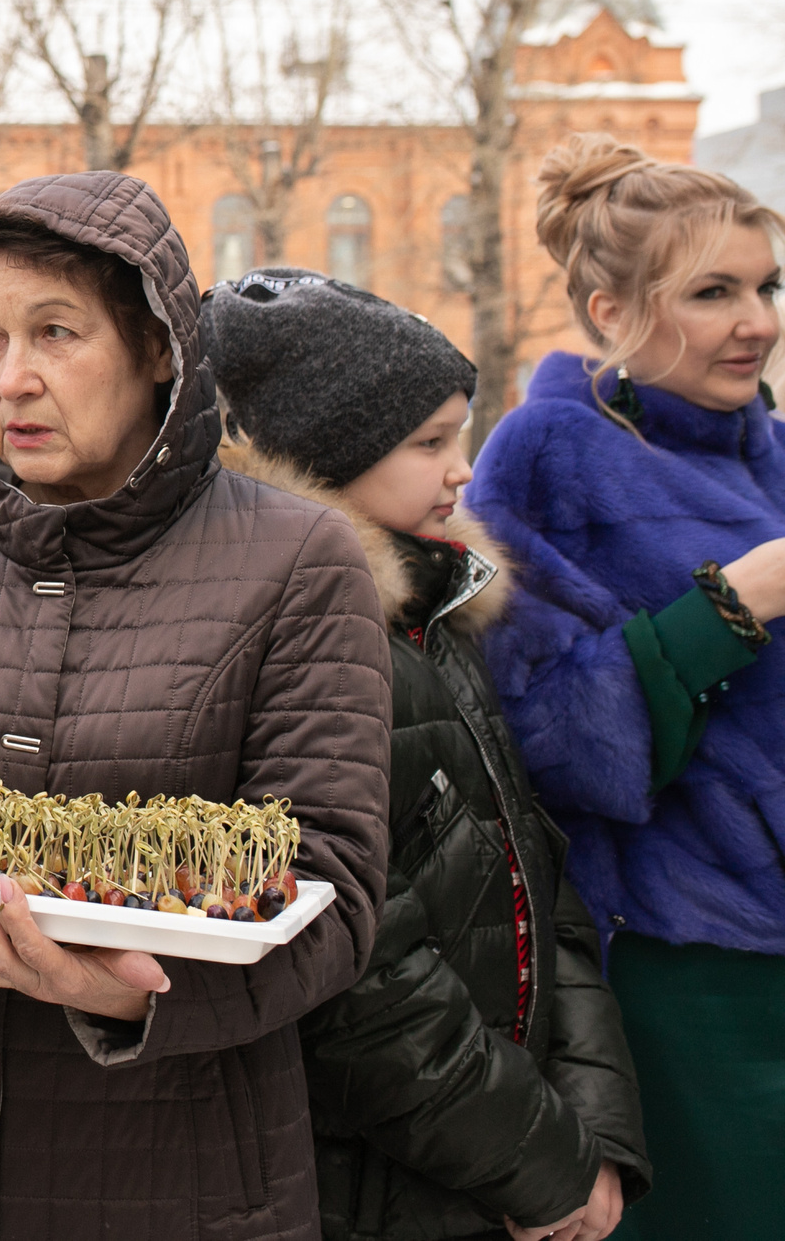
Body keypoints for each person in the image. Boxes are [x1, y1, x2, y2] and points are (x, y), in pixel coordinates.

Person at [0, 172, 394, 1241]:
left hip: (166, 1164)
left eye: (55, 333)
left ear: (158, 347)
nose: (12, 378)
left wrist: (125, 994)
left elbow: (332, 893)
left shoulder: (294, 560)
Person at [203, 269, 650, 1241]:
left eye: (460, 433)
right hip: (363, 1186)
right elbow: (365, 982)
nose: (462, 470)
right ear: (320, 459)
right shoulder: (311, 646)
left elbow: (538, 884)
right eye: (428, 443)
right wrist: (545, 1166)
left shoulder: (434, 624)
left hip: (480, 1168)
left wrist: (592, 1126)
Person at [466, 134, 785, 1240]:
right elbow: (546, 740)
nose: (756, 320)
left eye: (763, 285)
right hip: (692, 968)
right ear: (608, 310)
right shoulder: (540, 455)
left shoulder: (769, 450)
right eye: (712, 292)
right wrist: (731, 605)